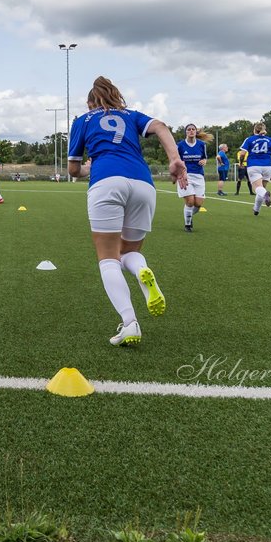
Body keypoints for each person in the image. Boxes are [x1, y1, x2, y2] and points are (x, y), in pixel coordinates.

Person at [67, 77, 187, 347]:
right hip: (143, 184)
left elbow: (73, 170)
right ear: (116, 97)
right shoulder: (132, 115)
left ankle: (130, 323)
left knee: (108, 258)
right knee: (130, 252)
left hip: (106, 183)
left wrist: (89, 166)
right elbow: (160, 126)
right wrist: (174, 158)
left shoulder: (83, 120)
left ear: (90, 102)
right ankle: (142, 272)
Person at [240, 121, 271, 216]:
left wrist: (241, 163)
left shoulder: (249, 139)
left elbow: (242, 154)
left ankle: (265, 196)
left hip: (254, 165)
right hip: (267, 166)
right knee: (262, 189)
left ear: (254, 130)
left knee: (257, 189)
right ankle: (256, 209)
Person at [176, 124, 212, 232]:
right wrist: (181, 172)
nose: (191, 131)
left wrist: (204, 161)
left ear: (196, 132)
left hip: (199, 176)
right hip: (185, 176)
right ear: (186, 132)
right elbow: (176, 160)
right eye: (188, 129)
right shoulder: (180, 145)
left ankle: (189, 215)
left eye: (193, 129)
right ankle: (188, 224)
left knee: (198, 204)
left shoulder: (201, 144)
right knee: (190, 202)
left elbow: (205, 158)